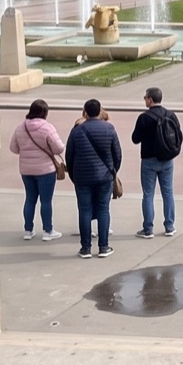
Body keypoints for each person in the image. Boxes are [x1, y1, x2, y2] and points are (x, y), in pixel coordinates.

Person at [65, 98, 121, 258]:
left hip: (82, 177)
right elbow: (117, 154)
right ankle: (104, 247)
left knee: (84, 211)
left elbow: (69, 156)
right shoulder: (109, 129)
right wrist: (113, 171)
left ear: (86, 112)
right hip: (104, 176)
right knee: (103, 209)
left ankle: (86, 248)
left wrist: (74, 175)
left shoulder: (76, 131)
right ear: (100, 111)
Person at [8, 100, 64, 241]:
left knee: (30, 199)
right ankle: (47, 230)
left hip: (26, 170)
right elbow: (59, 148)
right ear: (45, 113)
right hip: (45, 170)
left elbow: (13, 148)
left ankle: (28, 230)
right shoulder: (47, 128)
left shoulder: (21, 128)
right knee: (46, 201)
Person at [132, 86, 183, 237]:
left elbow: (135, 139)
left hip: (149, 159)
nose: (144, 100)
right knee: (168, 192)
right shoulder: (170, 115)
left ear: (150, 99)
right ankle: (169, 225)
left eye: (145, 98)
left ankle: (148, 228)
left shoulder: (144, 117)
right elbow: (179, 135)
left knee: (148, 194)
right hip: (167, 159)